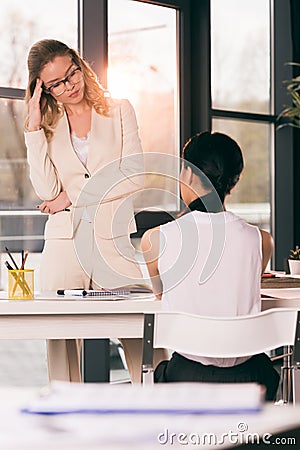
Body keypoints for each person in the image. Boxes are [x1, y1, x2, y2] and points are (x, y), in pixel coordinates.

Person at [24, 39, 166, 383]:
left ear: (79, 64)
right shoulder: (46, 124)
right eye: (55, 84)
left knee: (141, 331)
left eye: (71, 75)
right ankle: (66, 416)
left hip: (111, 239)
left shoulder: (119, 110)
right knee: (60, 341)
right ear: (43, 89)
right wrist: (32, 126)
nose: (68, 87)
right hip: (63, 242)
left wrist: (71, 197)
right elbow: (46, 191)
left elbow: (133, 175)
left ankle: (162, 400)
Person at [141, 131, 279, 401]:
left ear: (189, 173)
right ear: (233, 181)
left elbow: (161, 294)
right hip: (251, 379)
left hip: (186, 377)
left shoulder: (155, 239)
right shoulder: (261, 240)